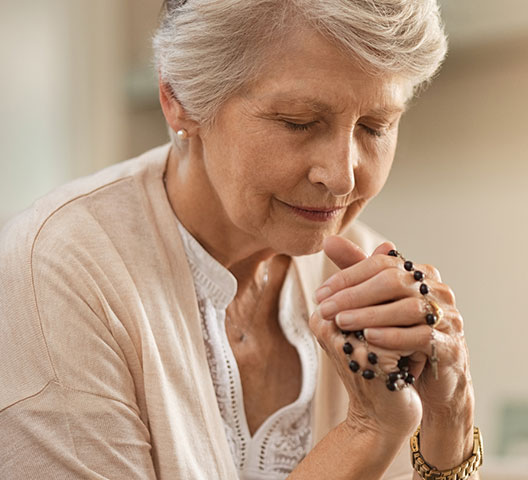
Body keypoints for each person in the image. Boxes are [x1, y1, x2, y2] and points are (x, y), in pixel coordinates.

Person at [0, 1, 482, 478]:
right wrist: (367, 432)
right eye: (298, 121)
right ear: (180, 100)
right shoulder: (58, 270)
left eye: (376, 126)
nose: (341, 177)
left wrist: (450, 416)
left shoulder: (368, 275)